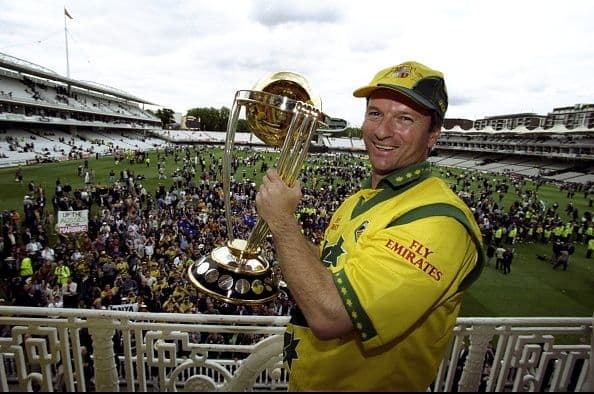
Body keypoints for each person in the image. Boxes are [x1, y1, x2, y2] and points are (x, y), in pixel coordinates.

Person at [255, 61, 484, 391]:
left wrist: (282, 221)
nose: (382, 130)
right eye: (375, 113)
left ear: (433, 134)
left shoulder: (439, 221)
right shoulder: (361, 199)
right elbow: (326, 273)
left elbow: (331, 315)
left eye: (404, 119)